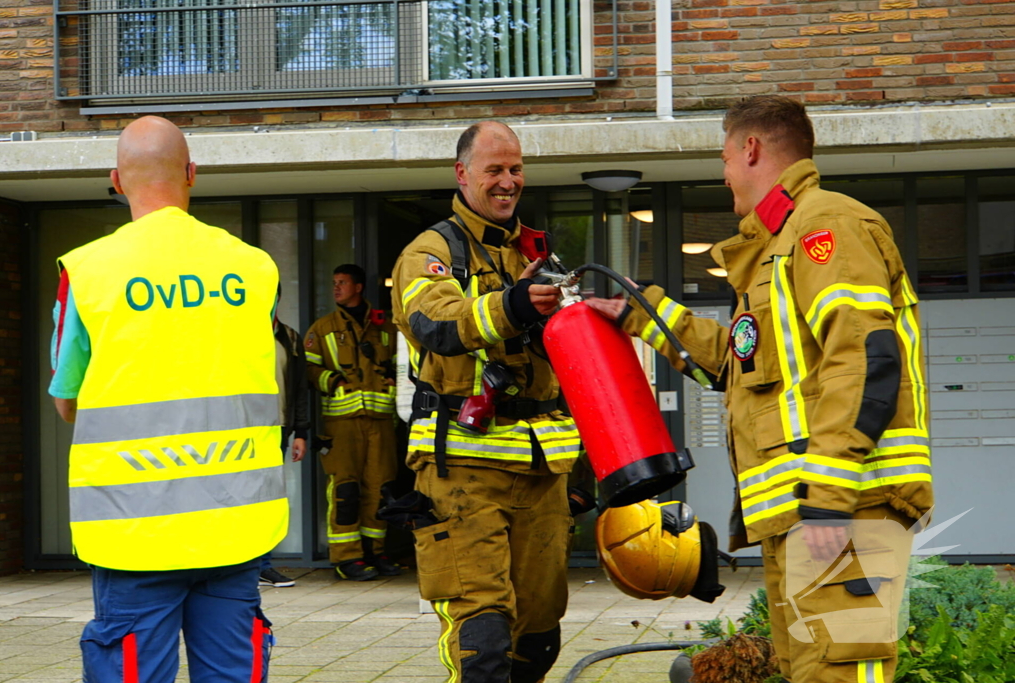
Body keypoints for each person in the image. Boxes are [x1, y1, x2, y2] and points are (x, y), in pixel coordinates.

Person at [587, 95, 934, 683]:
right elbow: (742, 365)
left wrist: (828, 497)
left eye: (724, 159)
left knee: (841, 673)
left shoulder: (826, 227)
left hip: (842, 510)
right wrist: (642, 314)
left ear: (751, 149)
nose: (723, 175)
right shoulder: (776, 246)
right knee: (809, 672)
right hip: (802, 516)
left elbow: (862, 359)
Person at [48, 116, 287, 682]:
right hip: (235, 523)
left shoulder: (87, 271)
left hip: (132, 529)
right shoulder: (254, 268)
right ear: (191, 174)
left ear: (116, 180)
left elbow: (67, 400)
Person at [390, 121, 581, 683]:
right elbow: (436, 323)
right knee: (484, 642)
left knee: (539, 637)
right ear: (462, 173)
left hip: (542, 473)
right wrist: (512, 306)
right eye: (494, 169)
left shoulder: (537, 253)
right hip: (463, 471)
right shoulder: (431, 251)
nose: (508, 181)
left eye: (515, 169)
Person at [304, 264, 399, 581]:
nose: (336, 287)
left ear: (358, 287)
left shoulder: (385, 328)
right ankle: (347, 558)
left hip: (381, 421)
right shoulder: (323, 328)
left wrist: (393, 380)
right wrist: (333, 381)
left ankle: (375, 552)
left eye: (342, 282)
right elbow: (308, 369)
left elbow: (403, 365)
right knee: (345, 490)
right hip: (341, 424)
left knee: (380, 489)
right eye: (334, 282)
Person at [258, 315, 310, 588]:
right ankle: (245, 566)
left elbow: (300, 388)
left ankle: (262, 565)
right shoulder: (238, 330)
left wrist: (301, 431)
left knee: (268, 498)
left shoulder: (288, 338)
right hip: (243, 428)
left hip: (277, 428)